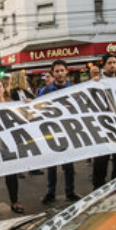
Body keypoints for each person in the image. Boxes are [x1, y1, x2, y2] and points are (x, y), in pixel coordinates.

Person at [38, 60, 81, 204]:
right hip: (51, 132)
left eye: (62, 70)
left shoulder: (74, 89)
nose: (60, 73)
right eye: (57, 71)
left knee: (69, 166)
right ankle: (51, 193)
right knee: (52, 166)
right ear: (53, 73)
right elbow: (37, 109)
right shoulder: (44, 91)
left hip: (68, 131)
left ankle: (70, 192)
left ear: (66, 72)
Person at [0, 78, 24, 216]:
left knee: (11, 176)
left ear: (3, 89)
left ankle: (15, 202)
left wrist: (27, 104)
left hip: (9, 145)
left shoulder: (11, 104)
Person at [93, 53, 116, 190]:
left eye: (115, 62)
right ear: (104, 65)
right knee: (101, 162)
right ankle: (98, 189)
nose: (113, 65)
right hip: (103, 128)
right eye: (110, 63)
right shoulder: (97, 82)